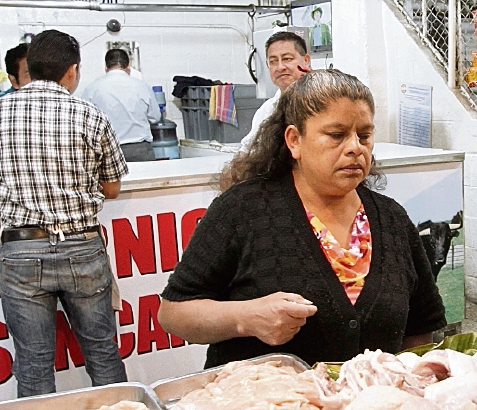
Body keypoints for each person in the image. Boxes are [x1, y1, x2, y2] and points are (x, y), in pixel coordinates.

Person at [159, 69, 446, 368]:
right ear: (294, 140)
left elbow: (420, 329)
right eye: (336, 135)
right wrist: (244, 318)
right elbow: (173, 313)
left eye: (364, 135)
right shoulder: (243, 209)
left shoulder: (392, 220)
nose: (354, 148)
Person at [0, 30, 130, 398]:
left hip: (20, 249)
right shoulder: (90, 115)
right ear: (72, 71)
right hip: (82, 249)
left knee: (34, 364)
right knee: (103, 355)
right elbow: (113, 187)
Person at [78, 48, 161, 162]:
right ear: (128, 66)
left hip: (107, 151)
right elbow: (155, 117)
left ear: (106, 67)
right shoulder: (142, 86)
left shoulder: (92, 89)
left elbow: (83, 122)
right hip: (140, 150)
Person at [242, 31, 311, 150]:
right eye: (273, 61)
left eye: (287, 59)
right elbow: (247, 150)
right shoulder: (266, 111)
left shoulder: (324, 102)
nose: (280, 67)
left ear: (306, 60)